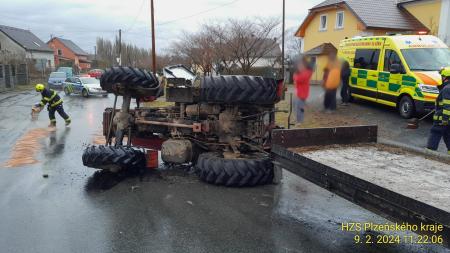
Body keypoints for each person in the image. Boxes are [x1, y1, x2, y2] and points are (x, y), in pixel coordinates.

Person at [426, 67, 450, 154]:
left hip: (442, 118)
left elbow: (447, 106)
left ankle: (429, 153)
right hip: (447, 118)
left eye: (442, 76)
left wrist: (445, 119)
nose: (441, 77)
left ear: (445, 77)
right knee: (448, 135)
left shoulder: (447, 89)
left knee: (435, 132)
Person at [293, 57, 313, 125]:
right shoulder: (302, 72)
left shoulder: (307, 72)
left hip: (302, 93)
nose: (299, 66)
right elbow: (296, 79)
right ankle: (297, 119)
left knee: (300, 107)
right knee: (296, 106)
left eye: (301, 65)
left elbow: (299, 79)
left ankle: (299, 121)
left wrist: (295, 75)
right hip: (299, 93)